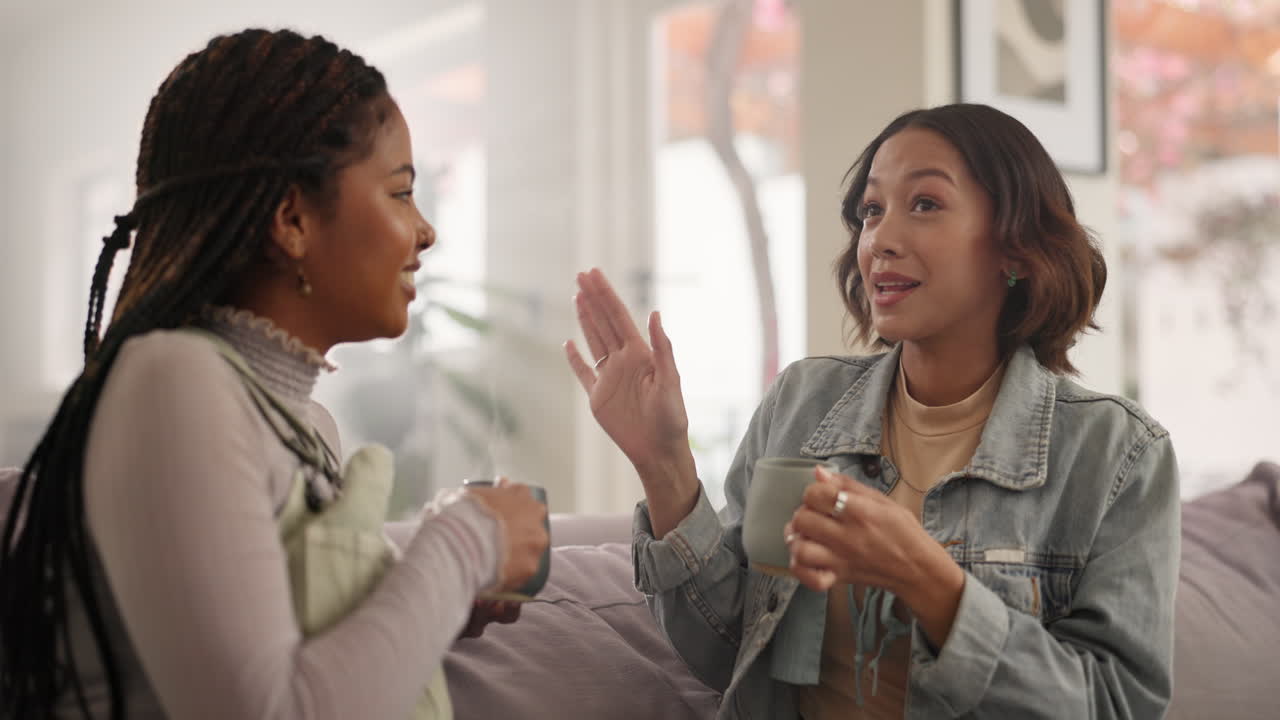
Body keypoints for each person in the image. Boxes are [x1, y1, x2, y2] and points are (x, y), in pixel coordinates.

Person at [564, 103, 1180, 719]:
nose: (880, 240)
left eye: (925, 204)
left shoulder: (1116, 455)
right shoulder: (802, 405)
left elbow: (1117, 705)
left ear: (1015, 250)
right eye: (871, 211)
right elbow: (727, 651)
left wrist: (932, 584)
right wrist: (664, 464)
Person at [0, 28, 547, 719]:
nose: (425, 231)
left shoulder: (302, 423)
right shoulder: (170, 384)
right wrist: (465, 544)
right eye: (401, 194)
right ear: (291, 219)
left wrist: (437, 604)